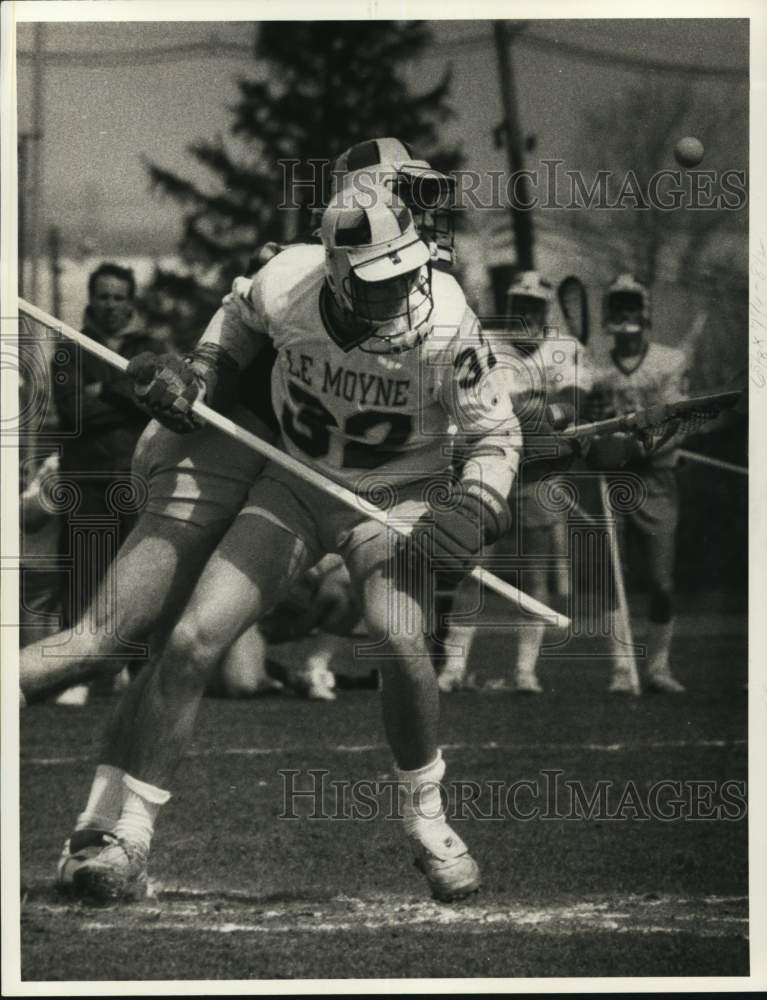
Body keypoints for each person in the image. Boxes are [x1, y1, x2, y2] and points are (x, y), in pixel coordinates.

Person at [58, 188, 521, 905]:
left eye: (404, 270)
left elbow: (498, 435)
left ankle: (427, 818)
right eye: (378, 278)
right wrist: (206, 369)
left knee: (398, 639)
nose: (399, 290)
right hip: (298, 483)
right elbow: (238, 317)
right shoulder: (288, 282)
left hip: (393, 494)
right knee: (189, 640)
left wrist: (479, 503)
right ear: (335, 273)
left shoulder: (449, 324)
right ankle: (129, 838)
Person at [20, 139, 457, 705]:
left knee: (185, 664)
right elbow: (216, 361)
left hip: (273, 474)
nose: (420, 213)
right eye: (405, 193)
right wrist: (189, 381)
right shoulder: (298, 271)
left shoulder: (412, 291)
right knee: (106, 641)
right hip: (214, 455)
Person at [438, 271, 593, 694]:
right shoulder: (484, 345)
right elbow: (472, 404)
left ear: (544, 311)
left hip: (539, 476)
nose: (523, 314)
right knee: (472, 570)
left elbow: (573, 406)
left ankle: (526, 670)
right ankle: (452, 668)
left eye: (532, 307)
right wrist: (533, 409)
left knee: (535, 576)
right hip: (488, 469)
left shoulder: (565, 350)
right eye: (517, 305)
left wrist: (538, 412)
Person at [585, 273, 688, 694]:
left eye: (632, 306)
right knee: (613, 574)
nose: (625, 314)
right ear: (609, 316)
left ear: (643, 313)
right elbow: (588, 425)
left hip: (655, 476)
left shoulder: (669, 361)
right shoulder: (596, 366)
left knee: (662, 581)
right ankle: (621, 669)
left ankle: (659, 665)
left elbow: (677, 422)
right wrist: (597, 439)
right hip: (612, 480)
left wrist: (634, 447)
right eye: (618, 307)